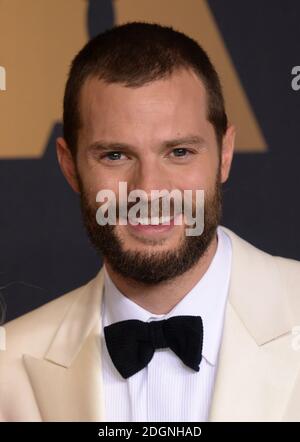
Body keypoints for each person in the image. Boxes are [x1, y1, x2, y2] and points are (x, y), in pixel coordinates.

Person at [0, 22, 300, 422]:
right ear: (69, 165)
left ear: (224, 154)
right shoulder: (9, 366)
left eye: (179, 152)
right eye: (115, 156)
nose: (149, 190)